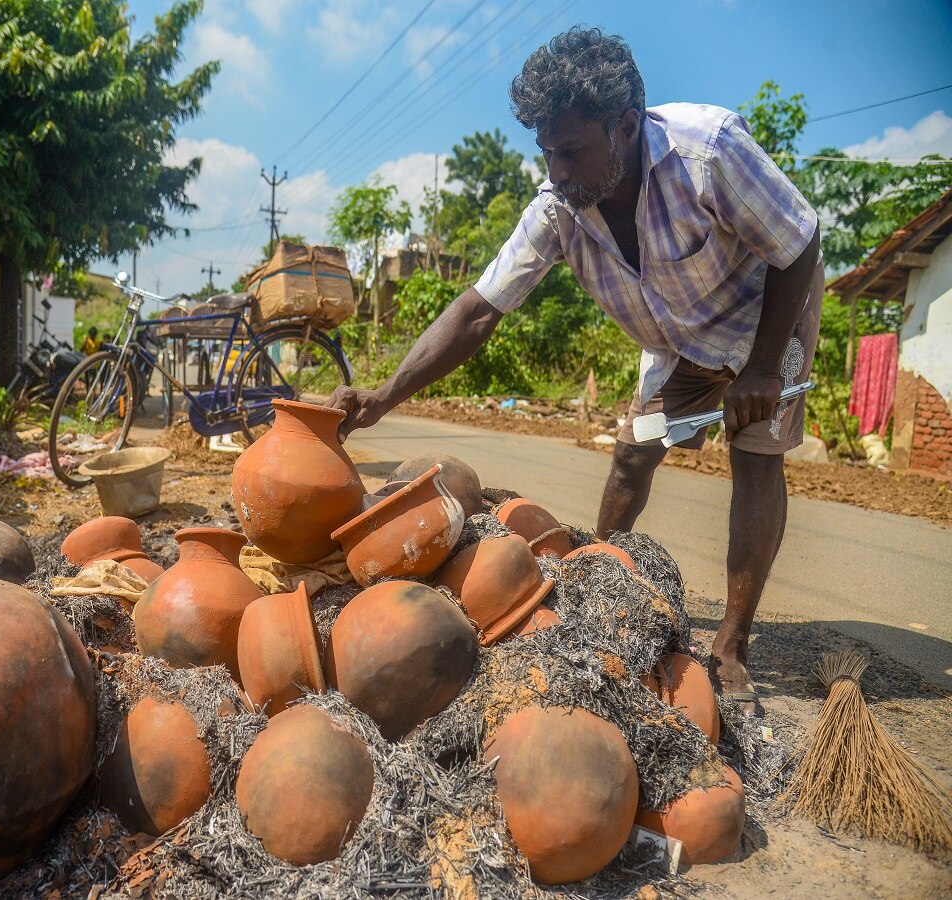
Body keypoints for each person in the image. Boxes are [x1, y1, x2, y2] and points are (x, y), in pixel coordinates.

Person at [327, 27, 823, 716]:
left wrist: (764, 366)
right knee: (632, 453)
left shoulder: (707, 153)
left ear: (624, 128)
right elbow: (479, 310)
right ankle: (600, 580)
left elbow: (799, 241)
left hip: (765, 315)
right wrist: (383, 395)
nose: (555, 170)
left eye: (570, 151)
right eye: (547, 151)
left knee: (755, 457)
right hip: (681, 344)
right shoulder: (559, 209)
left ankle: (733, 645)